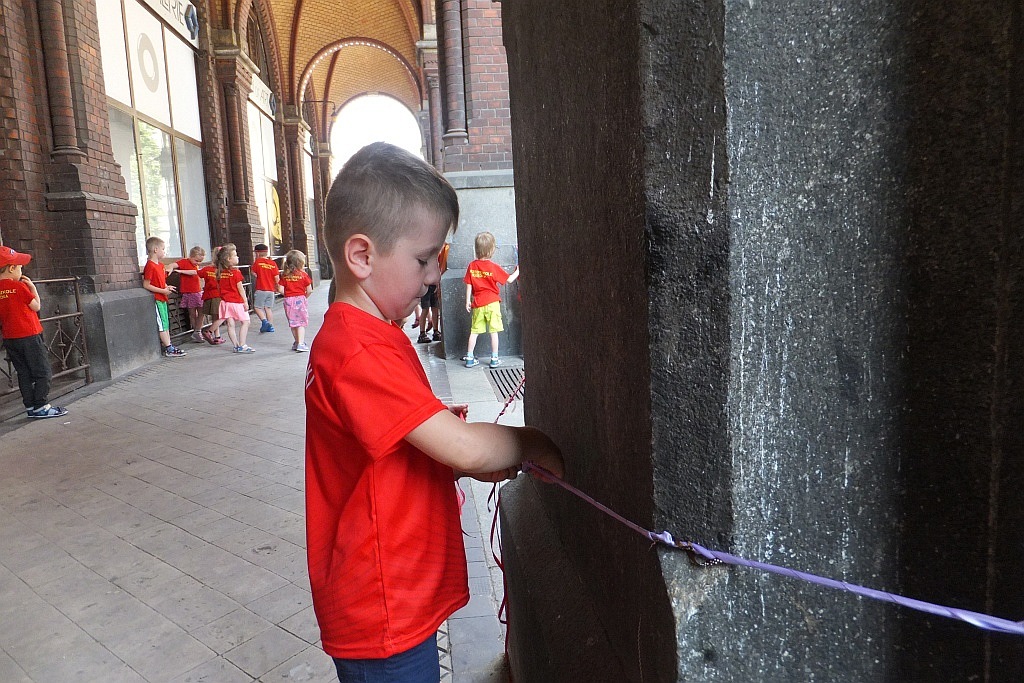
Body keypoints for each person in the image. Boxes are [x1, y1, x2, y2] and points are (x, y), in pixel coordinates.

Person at [306, 142, 563, 683]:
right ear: (361, 256)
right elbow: (463, 445)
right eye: (424, 260)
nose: (431, 278)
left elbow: (410, 446)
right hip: (381, 605)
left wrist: (460, 456)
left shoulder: (370, 333)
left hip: (390, 596)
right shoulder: (358, 348)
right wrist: (531, 443)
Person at [0, 246, 68, 418]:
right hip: (30, 335)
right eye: (20, 267)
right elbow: (36, 306)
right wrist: (33, 288)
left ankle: (30, 406)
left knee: (23, 373)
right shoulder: (19, 287)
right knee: (42, 371)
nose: (22, 270)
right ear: (12, 268)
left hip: (10, 337)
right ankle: (41, 405)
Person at [463, 231, 518, 368]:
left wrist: (467, 301)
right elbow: (510, 280)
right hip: (492, 303)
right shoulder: (493, 267)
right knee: (494, 332)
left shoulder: (472, 266)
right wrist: (519, 270)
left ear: (476, 249)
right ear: (492, 249)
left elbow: (469, 284)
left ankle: (469, 357)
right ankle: (494, 358)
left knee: (474, 331)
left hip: (478, 303)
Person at [142, 236, 186, 358]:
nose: (164, 251)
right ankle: (168, 347)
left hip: (162, 297)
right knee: (161, 323)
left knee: (165, 323)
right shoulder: (150, 266)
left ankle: (169, 345)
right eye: (163, 248)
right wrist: (162, 290)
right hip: (157, 298)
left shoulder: (160, 266)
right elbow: (146, 284)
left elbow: (161, 281)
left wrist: (167, 287)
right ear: (156, 249)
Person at [214, 243, 255, 353]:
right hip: (236, 302)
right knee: (246, 322)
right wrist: (245, 301)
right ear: (229, 259)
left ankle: (236, 345)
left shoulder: (219, 272)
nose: (238, 257)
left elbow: (219, 287)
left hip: (225, 302)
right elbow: (240, 288)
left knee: (230, 325)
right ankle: (242, 344)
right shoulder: (236, 273)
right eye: (235, 255)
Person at [278, 249, 313, 352]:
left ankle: (297, 342)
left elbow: (280, 289)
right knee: (301, 323)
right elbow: (310, 290)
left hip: (288, 300)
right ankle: (301, 343)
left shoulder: (285, 275)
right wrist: (304, 297)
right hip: (300, 299)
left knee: (293, 323)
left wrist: (288, 295)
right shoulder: (303, 275)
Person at [174, 246, 206, 343]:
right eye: (196, 260)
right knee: (192, 313)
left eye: (200, 262)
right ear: (191, 256)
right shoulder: (184, 262)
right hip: (189, 292)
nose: (198, 263)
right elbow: (173, 265)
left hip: (197, 291)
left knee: (201, 311)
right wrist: (172, 269)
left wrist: (180, 271)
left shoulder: (195, 266)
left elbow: (195, 272)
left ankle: (197, 330)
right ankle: (196, 331)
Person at [198, 248, 226, 345]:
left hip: (208, 295)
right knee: (223, 315)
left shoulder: (207, 269)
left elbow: (197, 273)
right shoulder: (225, 270)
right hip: (219, 296)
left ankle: (217, 336)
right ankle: (209, 331)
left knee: (216, 316)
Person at [251, 243, 279, 333]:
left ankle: (264, 321)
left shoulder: (257, 262)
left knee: (257, 307)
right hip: (271, 290)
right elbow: (277, 278)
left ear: (257, 253)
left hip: (261, 289)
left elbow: (253, 273)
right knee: (268, 308)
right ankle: (270, 326)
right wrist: (277, 286)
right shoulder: (273, 263)